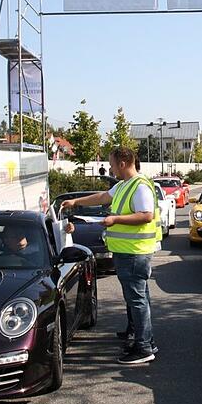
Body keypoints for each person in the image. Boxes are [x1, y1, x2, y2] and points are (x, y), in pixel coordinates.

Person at [59, 146, 161, 365]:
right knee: (137, 298)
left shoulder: (140, 186)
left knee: (138, 299)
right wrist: (77, 202)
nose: (111, 167)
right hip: (128, 251)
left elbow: (146, 215)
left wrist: (115, 220)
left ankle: (143, 347)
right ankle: (143, 340)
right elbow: (103, 197)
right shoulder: (125, 185)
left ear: (122, 163)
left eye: (112, 164)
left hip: (134, 253)